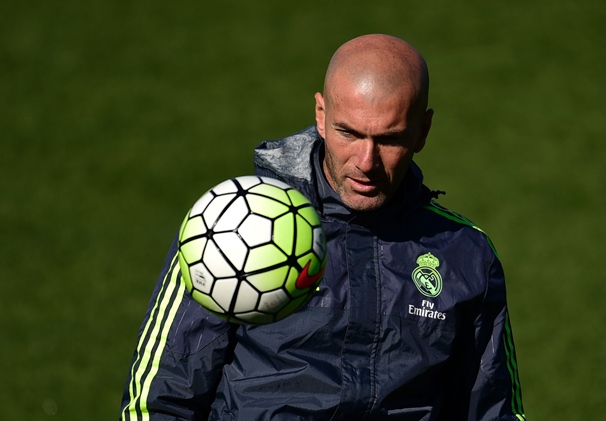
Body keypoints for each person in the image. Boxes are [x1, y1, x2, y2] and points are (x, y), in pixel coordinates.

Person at [120, 34, 525, 420]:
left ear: (423, 130)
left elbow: (492, 411)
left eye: (390, 139)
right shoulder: (232, 227)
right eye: (349, 132)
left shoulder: (464, 254)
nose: (366, 162)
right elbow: (160, 399)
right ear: (321, 115)